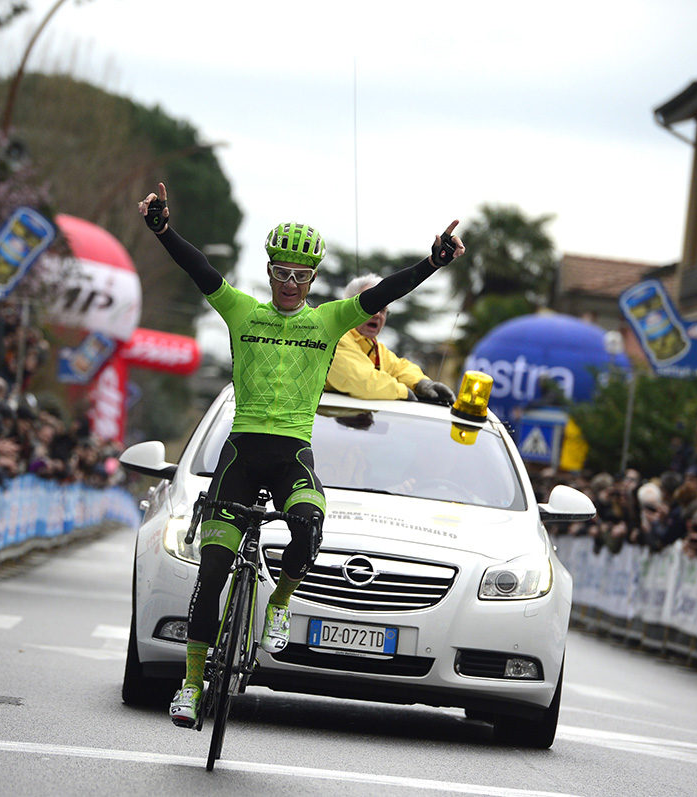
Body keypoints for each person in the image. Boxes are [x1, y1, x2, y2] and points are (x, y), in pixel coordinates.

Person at [138, 181, 465, 728]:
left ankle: (282, 602)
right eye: (282, 274)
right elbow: (200, 271)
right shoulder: (241, 312)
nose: (290, 284)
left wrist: (431, 263)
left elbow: (385, 293)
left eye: (301, 276)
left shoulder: (328, 321)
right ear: (269, 274)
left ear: (313, 280)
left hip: (291, 451)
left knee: (310, 523)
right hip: (241, 452)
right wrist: (163, 230)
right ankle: (192, 687)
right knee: (213, 570)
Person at [324, 274, 455, 403]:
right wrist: (403, 392)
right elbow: (362, 381)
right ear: (348, 308)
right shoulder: (334, 337)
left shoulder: (375, 349)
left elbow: (399, 368)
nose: (376, 314)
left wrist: (421, 383)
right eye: (370, 306)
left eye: (382, 309)